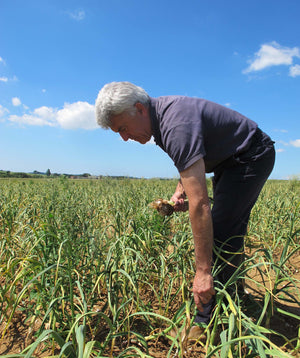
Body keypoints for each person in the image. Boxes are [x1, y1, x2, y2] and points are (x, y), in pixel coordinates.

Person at [95, 81, 275, 333]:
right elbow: (192, 160)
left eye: (123, 128)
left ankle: (207, 320)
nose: (124, 138)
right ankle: (234, 299)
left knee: (221, 234)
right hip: (229, 160)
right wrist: (180, 190)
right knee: (227, 232)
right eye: (118, 133)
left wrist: (202, 273)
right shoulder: (161, 120)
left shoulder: (174, 124)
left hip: (250, 156)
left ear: (139, 108)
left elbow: (199, 204)